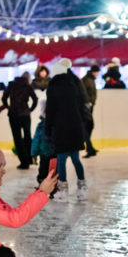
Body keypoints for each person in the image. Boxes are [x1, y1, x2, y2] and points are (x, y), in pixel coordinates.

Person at [46, 59, 88, 202]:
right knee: (76, 159)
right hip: (75, 126)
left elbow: (50, 109)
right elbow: (82, 103)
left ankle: (63, 190)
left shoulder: (53, 85)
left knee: (62, 159)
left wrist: (47, 129)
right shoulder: (74, 83)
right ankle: (82, 187)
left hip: (61, 127)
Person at [1, 72, 38, 169]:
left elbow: (4, 98)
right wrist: (30, 110)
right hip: (25, 115)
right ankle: (30, 159)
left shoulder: (12, 85)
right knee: (27, 136)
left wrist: (8, 107)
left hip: (13, 115)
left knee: (17, 138)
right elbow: (35, 99)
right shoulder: (27, 86)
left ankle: (24, 162)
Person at [81, 65, 99, 158]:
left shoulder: (90, 79)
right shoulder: (87, 80)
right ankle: (89, 147)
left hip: (89, 105)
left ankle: (89, 146)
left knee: (89, 126)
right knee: (87, 126)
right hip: (86, 106)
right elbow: (84, 92)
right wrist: (88, 102)